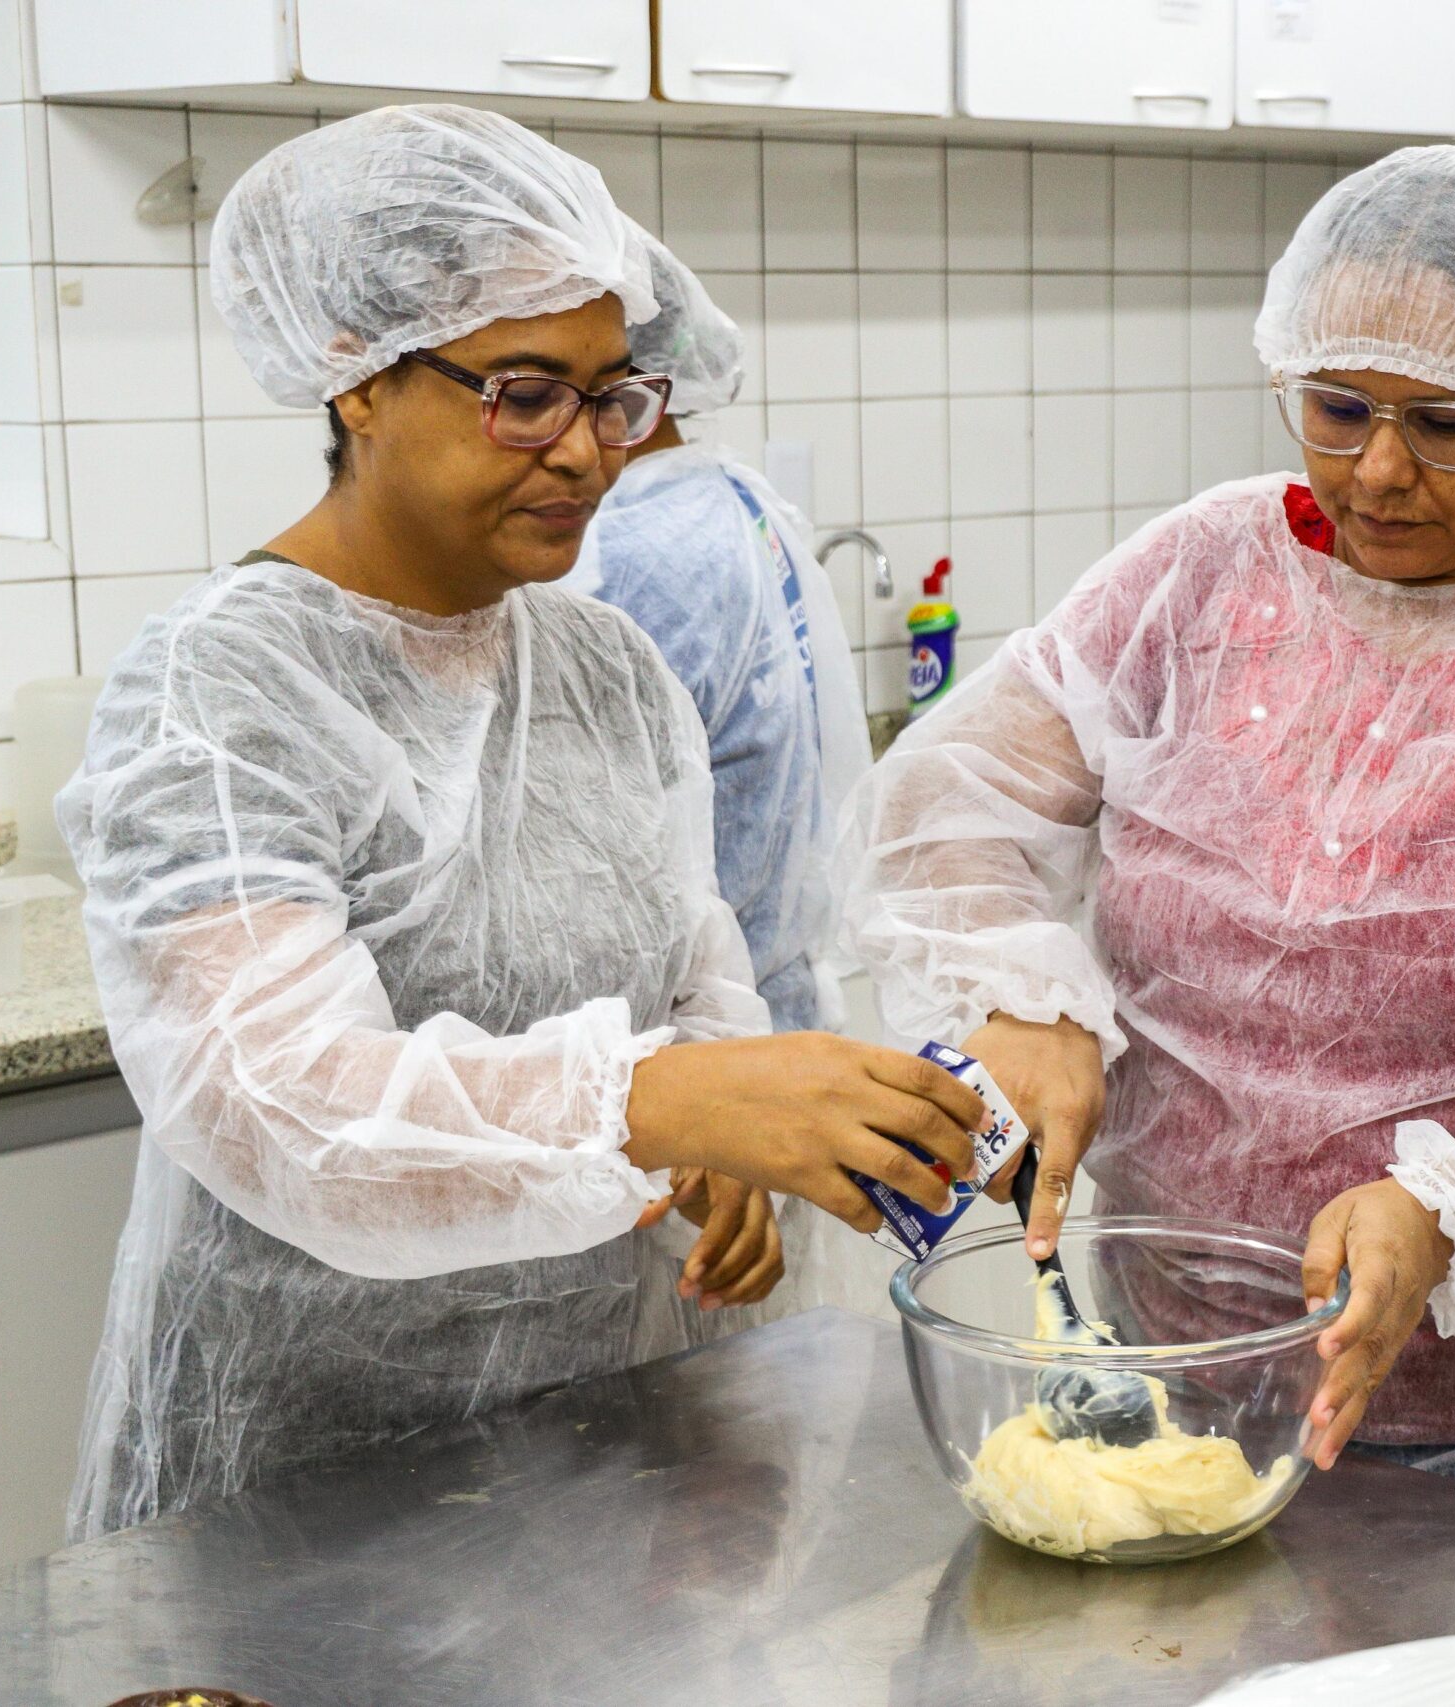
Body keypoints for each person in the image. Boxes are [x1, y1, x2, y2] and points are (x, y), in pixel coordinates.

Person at [844, 145, 1455, 1549]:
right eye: (1336, 408)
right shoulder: (1200, 574)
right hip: (1177, 1371)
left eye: (1447, 424)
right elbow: (949, 796)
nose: (1379, 471)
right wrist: (1021, 993)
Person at [58, 105, 985, 1539]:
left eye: (613, 397)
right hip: (300, 1486)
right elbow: (281, 1105)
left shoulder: (606, 664)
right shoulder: (217, 687)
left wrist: (724, 1142)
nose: (587, 454)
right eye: (525, 393)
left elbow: (691, 974)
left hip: (601, 1457)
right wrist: (660, 1104)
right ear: (358, 380)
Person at [574, 232, 891, 1323]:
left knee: (685, 1406)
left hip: (694, 1105)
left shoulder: (628, 555)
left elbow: (598, 865)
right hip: (757, 1052)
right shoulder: (722, 499)